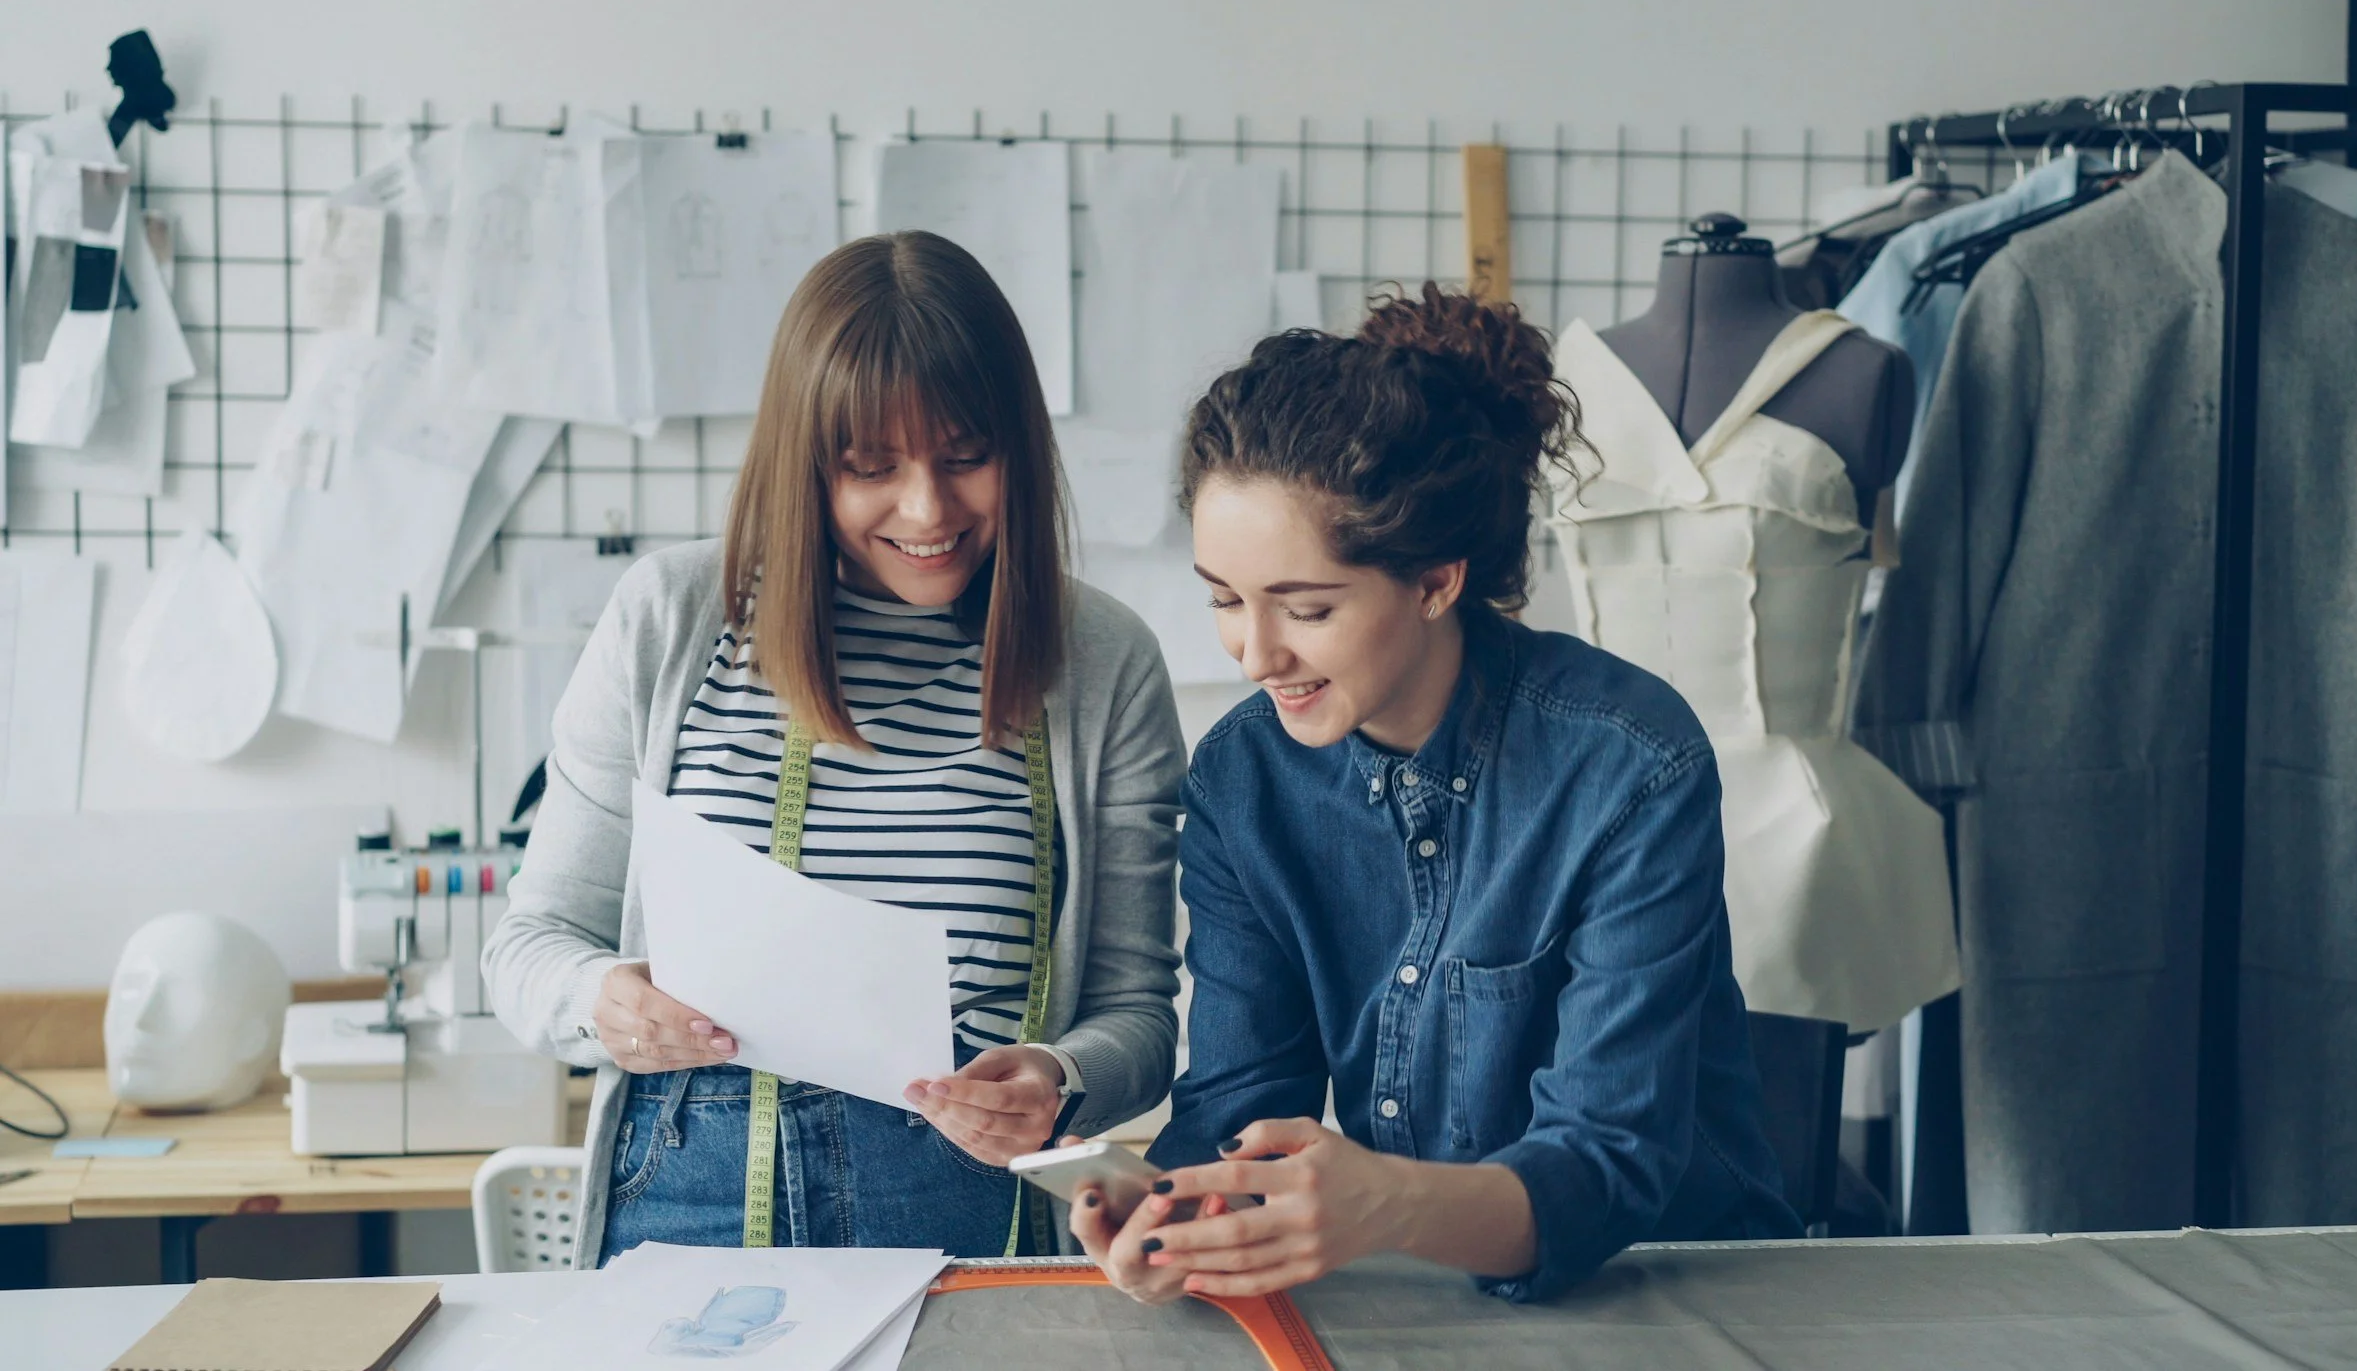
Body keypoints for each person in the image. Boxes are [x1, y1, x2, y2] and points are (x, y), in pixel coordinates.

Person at [1071, 285, 1799, 1304]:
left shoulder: (1629, 762)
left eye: (1306, 608)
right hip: (1426, 1294)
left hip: (1682, 1284)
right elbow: (1237, 1107)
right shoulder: (1243, 779)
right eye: (1225, 600)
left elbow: (1607, 1166)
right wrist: (1176, 1221)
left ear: (1434, 583)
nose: (1253, 654)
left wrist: (1387, 1204)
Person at [483, 231, 1186, 1263]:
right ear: (805, 464)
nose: (927, 508)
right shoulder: (670, 622)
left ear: (1020, 451)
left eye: (965, 458)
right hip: (689, 1192)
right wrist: (603, 1004)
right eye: (871, 468)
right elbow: (528, 946)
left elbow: (1138, 1013)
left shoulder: (1099, 661)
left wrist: (1056, 1076)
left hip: (967, 1207)